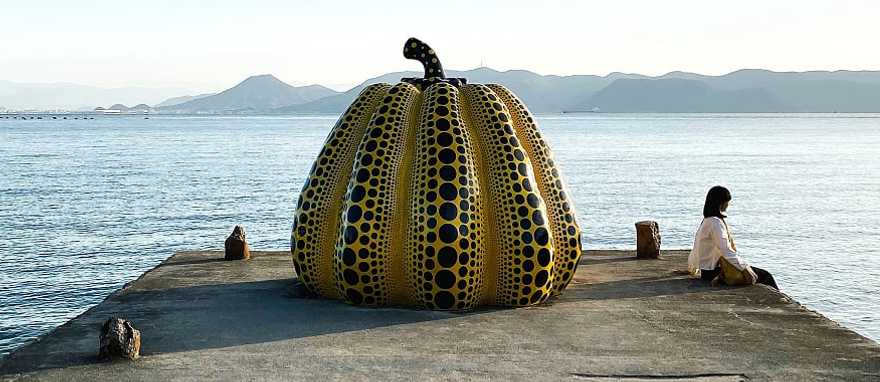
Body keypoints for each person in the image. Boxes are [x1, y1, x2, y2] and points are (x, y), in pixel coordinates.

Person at [688, 186, 779, 289]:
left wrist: (692, 267)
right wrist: (744, 268)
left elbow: (696, 247)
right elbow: (726, 250)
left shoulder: (707, 220)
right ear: (721, 202)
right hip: (713, 272)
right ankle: (780, 304)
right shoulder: (715, 222)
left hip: (706, 272)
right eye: (727, 201)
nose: (728, 205)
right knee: (766, 276)